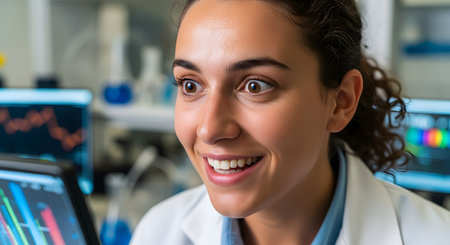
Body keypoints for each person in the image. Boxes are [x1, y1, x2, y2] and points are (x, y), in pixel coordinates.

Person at [130, 0, 450, 244]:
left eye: (255, 86)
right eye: (190, 85)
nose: (209, 129)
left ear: (341, 102)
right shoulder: (158, 232)